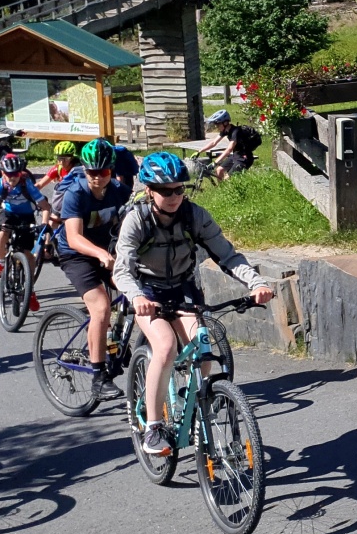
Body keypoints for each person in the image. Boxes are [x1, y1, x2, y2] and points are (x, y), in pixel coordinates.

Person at [112, 151, 274, 456]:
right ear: (149, 191)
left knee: (202, 345)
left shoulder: (194, 216)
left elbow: (227, 255)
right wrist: (137, 297)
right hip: (147, 292)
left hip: (183, 288)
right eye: (165, 191)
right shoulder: (137, 220)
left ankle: (194, 400)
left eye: (179, 189)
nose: (174, 197)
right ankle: (153, 428)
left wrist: (256, 283)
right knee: (165, 347)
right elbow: (122, 270)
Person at [55, 137, 135, 400]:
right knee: (100, 308)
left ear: (111, 170)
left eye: (103, 172)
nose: (97, 177)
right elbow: (74, 238)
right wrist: (100, 253)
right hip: (76, 255)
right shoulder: (76, 194)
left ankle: (116, 341)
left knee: (137, 290)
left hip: (107, 252)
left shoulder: (118, 190)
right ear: (84, 170)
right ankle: (99, 378)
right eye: (91, 172)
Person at [0, 153, 51, 297]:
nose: (13, 178)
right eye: (9, 174)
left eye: (16, 174)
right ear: (3, 173)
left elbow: (45, 207)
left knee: (29, 255)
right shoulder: (0, 183)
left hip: (26, 216)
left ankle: (30, 289)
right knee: (2, 232)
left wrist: (44, 224)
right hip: (8, 214)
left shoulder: (27, 184)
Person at [204, 109, 261, 181]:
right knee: (219, 170)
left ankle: (226, 188)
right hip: (235, 155)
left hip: (244, 158)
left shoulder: (236, 131)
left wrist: (215, 162)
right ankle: (221, 188)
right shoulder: (225, 131)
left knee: (227, 179)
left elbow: (229, 149)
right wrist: (199, 151)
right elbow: (213, 143)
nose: (216, 127)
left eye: (218, 124)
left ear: (225, 123)